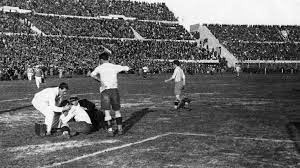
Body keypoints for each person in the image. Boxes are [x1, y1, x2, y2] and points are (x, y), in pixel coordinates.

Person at [90, 51, 130, 136]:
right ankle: (120, 129)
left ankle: (110, 130)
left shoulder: (99, 67)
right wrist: (124, 67)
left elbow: (92, 74)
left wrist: (100, 80)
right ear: (108, 58)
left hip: (105, 91)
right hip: (114, 90)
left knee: (107, 111)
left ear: (100, 59)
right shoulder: (114, 66)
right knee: (117, 111)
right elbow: (127, 68)